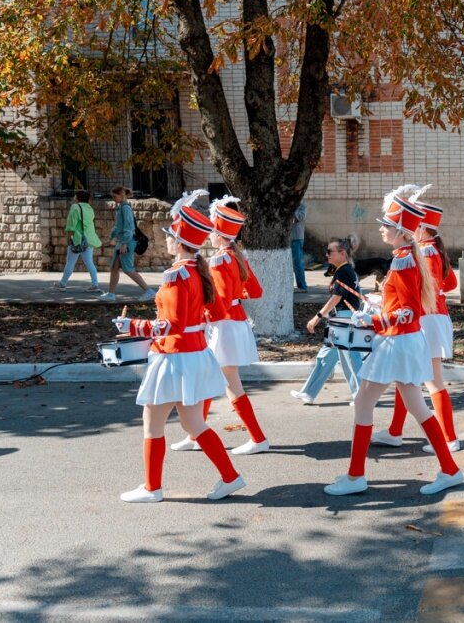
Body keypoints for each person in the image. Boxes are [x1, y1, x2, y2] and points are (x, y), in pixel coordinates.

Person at [323, 186, 463, 496]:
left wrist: (372, 319)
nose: (381, 229)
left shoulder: (403, 260)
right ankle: (450, 469)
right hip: (403, 341)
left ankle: (356, 476)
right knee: (417, 407)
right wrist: (378, 303)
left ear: (400, 230)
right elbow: (403, 303)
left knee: (364, 402)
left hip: (397, 341)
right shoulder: (407, 255)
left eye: (386, 225)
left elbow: (408, 310)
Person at [112, 191, 245, 503]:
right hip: (194, 356)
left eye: (171, 236)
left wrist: (130, 326)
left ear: (180, 240)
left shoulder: (176, 274)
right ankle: (230, 477)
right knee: (192, 421)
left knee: (153, 422)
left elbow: (169, 325)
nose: (167, 241)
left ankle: (152, 488)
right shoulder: (197, 271)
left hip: (174, 358)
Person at [171, 194, 269, 455]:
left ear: (219, 233)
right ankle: (195, 435)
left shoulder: (218, 260)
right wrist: (238, 296)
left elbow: (220, 305)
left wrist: (200, 317)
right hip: (235, 325)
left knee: (229, 384)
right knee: (211, 379)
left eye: (213, 231)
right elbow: (255, 291)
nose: (210, 236)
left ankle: (257, 438)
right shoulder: (236, 256)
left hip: (223, 327)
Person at [375, 191, 461, 452]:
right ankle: (395, 431)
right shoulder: (435, 250)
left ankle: (449, 439)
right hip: (434, 317)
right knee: (407, 376)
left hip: (427, 319)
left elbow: (422, 289)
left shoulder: (423, 252)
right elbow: (450, 283)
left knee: (432, 381)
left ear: (421, 227)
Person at [290, 234, 365, 404]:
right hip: (339, 320)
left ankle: (362, 396)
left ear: (343, 253)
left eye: (330, 251)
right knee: (325, 358)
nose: (327, 254)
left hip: (344, 320)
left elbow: (336, 297)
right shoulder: (342, 270)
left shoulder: (345, 271)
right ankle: (308, 393)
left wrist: (317, 317)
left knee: (351, 360)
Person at [99, 186, 155, 302]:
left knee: (128, 269)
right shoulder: (121, 208)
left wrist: (124, 243)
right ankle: (111, 294)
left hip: (127, 242)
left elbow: (129, 227)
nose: (113, 198)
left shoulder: (125, 208)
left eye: (115, 196)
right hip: (123, 241)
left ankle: (149, 291)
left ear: (122, 195)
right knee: (114, 267)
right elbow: (119, 225)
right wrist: (112, 236)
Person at [52, 190, 101, 292]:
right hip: (89, 240)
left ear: (78, 198)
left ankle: (63, 284)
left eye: (75, 196)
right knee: (89, 263)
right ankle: (95, 284)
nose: (74, 198)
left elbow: (71, 225)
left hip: (78, 239)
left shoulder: (75, 207)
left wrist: (69, 238)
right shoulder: (89, 208)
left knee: (70, 262)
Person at [291, 200, 308, 293]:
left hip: (296, 237)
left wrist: (292, 208)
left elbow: (300, 217)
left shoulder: (302, 204)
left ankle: (302, 285)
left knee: (297, 262)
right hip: (286, 238)